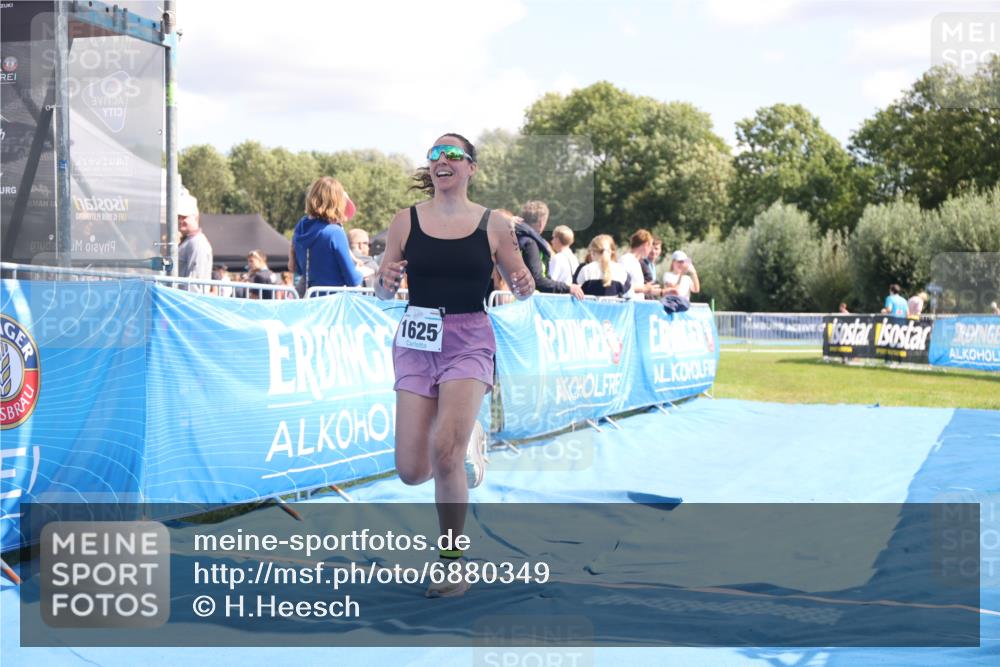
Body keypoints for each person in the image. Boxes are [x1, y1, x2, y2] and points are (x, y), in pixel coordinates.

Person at [374, 133, 534, 598]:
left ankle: (451, 564)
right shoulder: (405, 221)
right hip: (416, 340)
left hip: (469, 339)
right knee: (410, 469)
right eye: (435, 155)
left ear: (470, 168)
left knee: (444, 449)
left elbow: (523, 286)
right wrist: (382, 281)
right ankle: (465, 444)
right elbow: (383, 289)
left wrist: (524, 284)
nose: (442, 160)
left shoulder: (494, 224)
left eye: (452, 155)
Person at [290, 177, 362, 294]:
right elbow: (353, 280)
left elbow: (299, 268)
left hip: (308, 303)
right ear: (337, 201)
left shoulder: (300, 227)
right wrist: (362, 272)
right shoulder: (335, 232)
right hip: (332, 305)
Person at [514, 200, 585, 299]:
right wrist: (568, 288)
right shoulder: (530, 243)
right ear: (541, 223)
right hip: (524, 302)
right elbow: (537, 280)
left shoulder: (513, 238)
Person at [177, 189, 213, 293]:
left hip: (187, 302)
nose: (180, 220)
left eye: (184, 217)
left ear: (195, 217)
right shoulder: (189, 241)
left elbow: (195, 279)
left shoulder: (197, 242)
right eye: (178, 217)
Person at [619, 229, 657, 299]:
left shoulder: (636, 261)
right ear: (645, 245)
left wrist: (645, 287)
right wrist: (644, 288)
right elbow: (622, 286)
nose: (650, 251)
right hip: (630, 306)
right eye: (650, 247)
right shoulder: (626, 260)